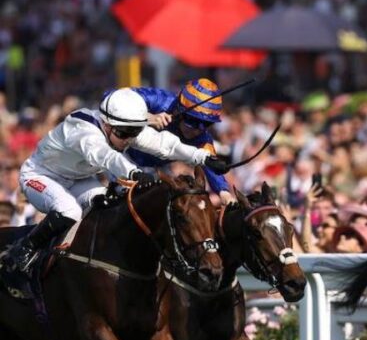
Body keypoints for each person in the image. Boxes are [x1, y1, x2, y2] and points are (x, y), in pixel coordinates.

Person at [0, 88, 230, 277]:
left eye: (133, 132)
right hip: (40, 177)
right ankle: (22, 250)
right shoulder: (84, 131)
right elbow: (106, 156)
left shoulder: (121, 126)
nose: (128, 139)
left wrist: (205, 158)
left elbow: (164, 144)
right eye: (124, 134)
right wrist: (135, 173)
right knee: (69, 210)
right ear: (107, 125)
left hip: (78, 180)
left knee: (108, 203)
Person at [123, 78, 235, 204]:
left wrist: (224, 193)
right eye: (192, 121)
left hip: (155, 172)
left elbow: (211, 167)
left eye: (206, 124)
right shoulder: (159, 100)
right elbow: (114, 100)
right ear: (178, 109)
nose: (198, 130)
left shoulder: (202, 138)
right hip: (120, 155)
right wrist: (149, 117)